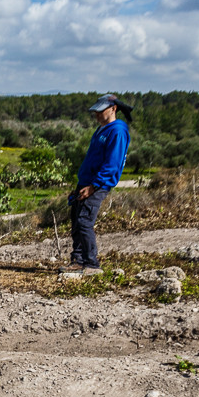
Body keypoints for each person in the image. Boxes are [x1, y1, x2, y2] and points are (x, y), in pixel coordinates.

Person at [63, 93, 132, 275]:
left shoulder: (117, 131)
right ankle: (77, 260)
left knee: (85, 221)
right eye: (96, 112)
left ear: (113, 109)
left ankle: (91, 264)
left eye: (101, 111)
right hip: (86, 182)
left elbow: (112, 163)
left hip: (97, 184)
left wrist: (94, 186)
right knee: (77, 220)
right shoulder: (102, 129)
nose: (97, 115)